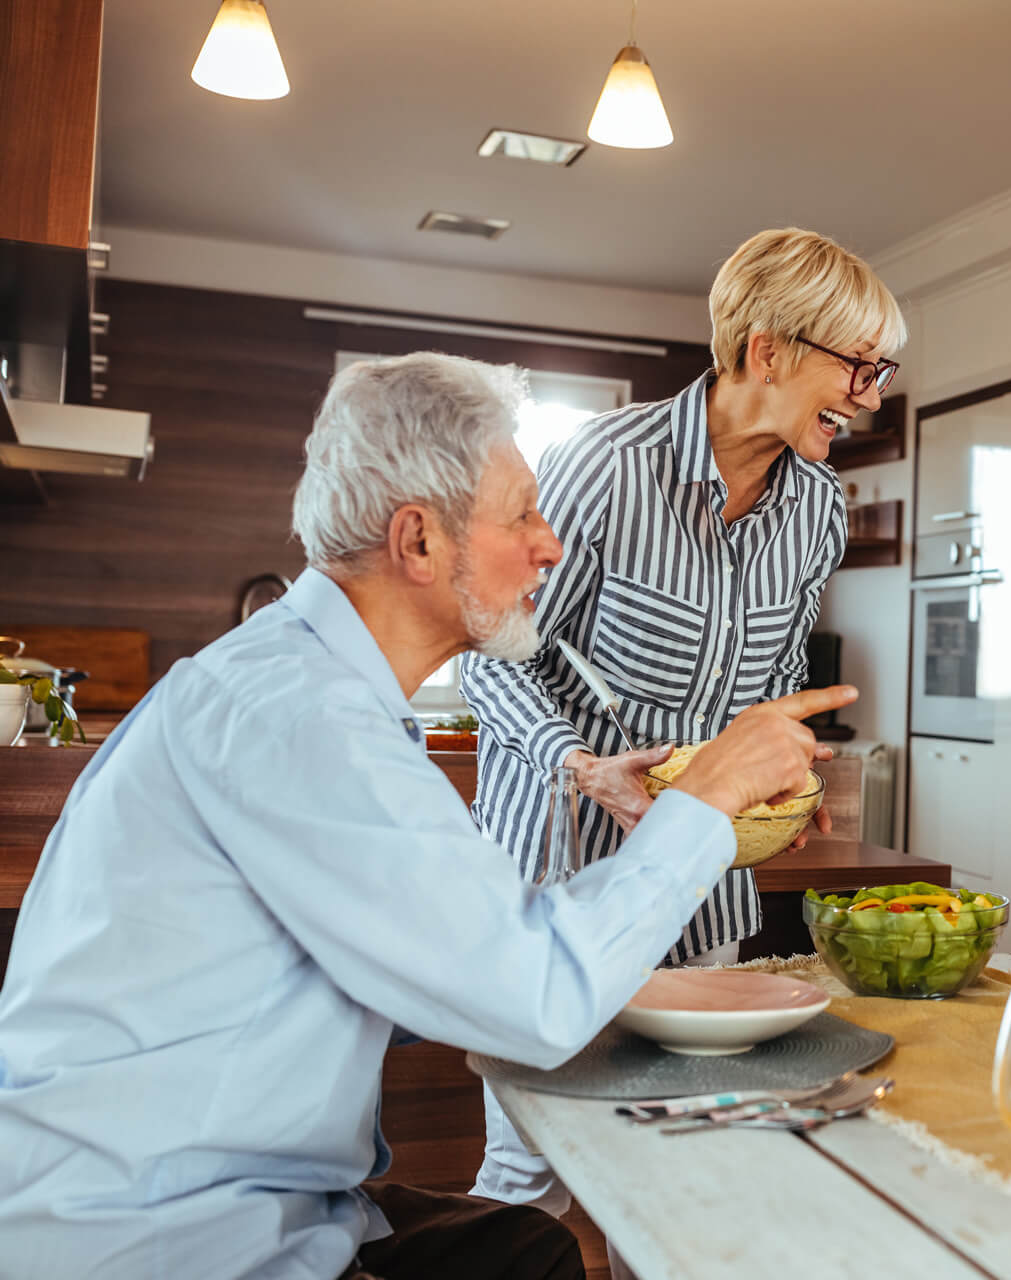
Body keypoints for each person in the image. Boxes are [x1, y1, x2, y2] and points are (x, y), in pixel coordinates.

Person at [0, 351, 859, 1278]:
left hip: (255, 1202)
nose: (551, 544)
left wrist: (641, 985)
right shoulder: (302, 719)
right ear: (419, 542)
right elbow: (529, 1000)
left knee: (527, 1245)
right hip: (171, 1239)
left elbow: (438, 957)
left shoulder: (316, 689)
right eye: (522, 514)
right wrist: (705, 799)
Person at [457, 228, 905, 1213]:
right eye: (859, 365)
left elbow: (778, 674)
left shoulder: (819, 509)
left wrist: (793, 759)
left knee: (680, 1164)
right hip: (559, 873)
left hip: (697, 884)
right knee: (532, 1169)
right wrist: (583, 762)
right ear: (768, 350)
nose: (872, 393)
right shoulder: (600, 468)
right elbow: (485, 661)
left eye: (882, 368)